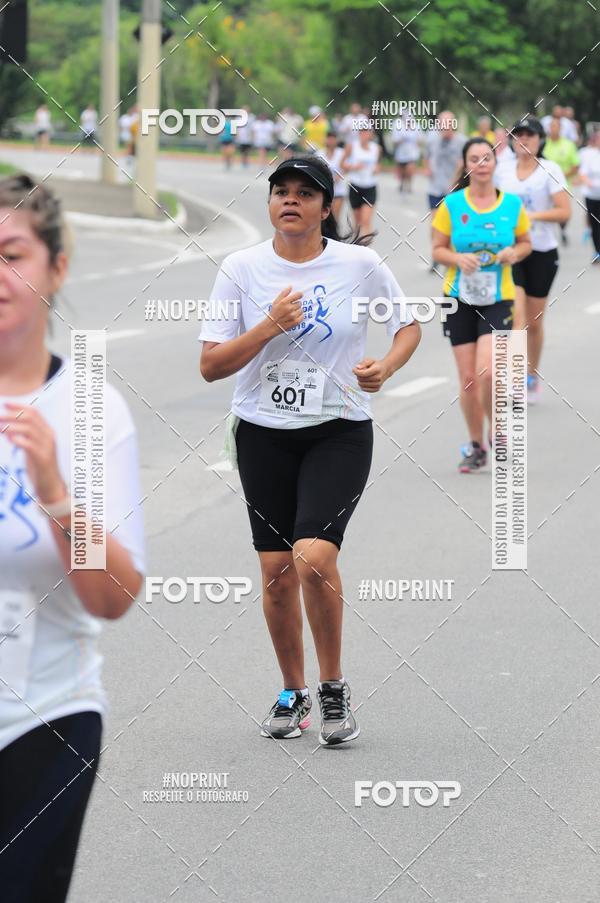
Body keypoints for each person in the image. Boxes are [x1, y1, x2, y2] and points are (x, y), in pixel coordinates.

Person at [198, 155, 420, 746]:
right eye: (280, 192)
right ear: (269, 203)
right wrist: (267, 326)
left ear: (327, 207)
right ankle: (293, 691)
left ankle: (333, 687)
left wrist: (386, 367)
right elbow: (210, 366)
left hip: (339, 428)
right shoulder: (240, 268)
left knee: (313, 557)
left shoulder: (360, 264)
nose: (290, 201)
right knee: (275, 573)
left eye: (305, 193)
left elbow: (408, 326)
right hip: (262, 433)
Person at [0, 174, 145, 902]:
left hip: (45, 720)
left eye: (12, 254)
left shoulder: (90, 410)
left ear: (57, 267)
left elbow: (111, 596)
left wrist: (56, 496)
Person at [431, 138, 532, 472]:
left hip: (498, 296)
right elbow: (437, 250)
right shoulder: (452, 205)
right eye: (475, 158)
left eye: (487, 157)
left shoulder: (511, 205)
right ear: (466, 164)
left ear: (494, 162)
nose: (482, 163)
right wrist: (458, 259)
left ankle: (498, 432)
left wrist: (513, 254)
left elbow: (525, 243)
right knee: (468, 380)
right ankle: (477, 445)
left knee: (486, 373)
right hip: (459, 297)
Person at [495, 116, 571, 403]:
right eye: (518, 135)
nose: (523, 140)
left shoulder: (549, 170)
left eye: (529, 135)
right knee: (517, 317)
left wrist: (531, 216)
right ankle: (514, 380)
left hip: (542, 251)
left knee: (535, 323)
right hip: (511, 252)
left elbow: (565, 213)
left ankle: (531, 376)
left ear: (540, 140)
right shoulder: (502, 169)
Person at [542, 116, 579, 245]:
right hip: (545, 185)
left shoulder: (568, 145)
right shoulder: (543, 144)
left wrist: (561, 175)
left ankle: (562, 229)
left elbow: (575, 166)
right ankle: (549, 233)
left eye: (556, 126)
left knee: (563, 211)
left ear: (561, 128)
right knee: (547, 209)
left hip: (563, 185)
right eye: (551, 126)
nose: (553, 129)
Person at [342, 126, 381, 236]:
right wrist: (353, 166)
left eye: (368, 132)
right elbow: (342, 164)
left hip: (370, 186)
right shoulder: (352, 147)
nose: (365, 135)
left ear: (371, 134)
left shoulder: (376, 148)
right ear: (359, 134)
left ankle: (367, 248)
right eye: (363, 132)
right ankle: (357, 245)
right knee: (358, 222)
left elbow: (377, 165)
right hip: (355, 186)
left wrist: (377, 169)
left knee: (366, 220)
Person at [578, 129, 600, 264]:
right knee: (595, 224)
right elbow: (582, 173)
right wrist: (587, 182)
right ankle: (597, 250)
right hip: (591, 195)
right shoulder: (588, 154)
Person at [316, 131, 348, 220]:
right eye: (329, 139)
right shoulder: (319, 154)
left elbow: (347, 167)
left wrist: (340, 175)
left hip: (338, 190)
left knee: (334, 218)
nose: (331, 141)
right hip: (324, 190)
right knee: (323, 218)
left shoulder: (342, 153)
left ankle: (333, 234)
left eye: (333, 139)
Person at [392, 114, 422, 192]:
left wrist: (417, 143)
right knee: (402, 171)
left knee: (410, 169)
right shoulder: (398, 126)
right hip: (401, 153)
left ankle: (409, 185)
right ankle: (402, 183)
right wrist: (400, 140)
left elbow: (420, 139)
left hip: (412, 153)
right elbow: (394, 141)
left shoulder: (416, 126)